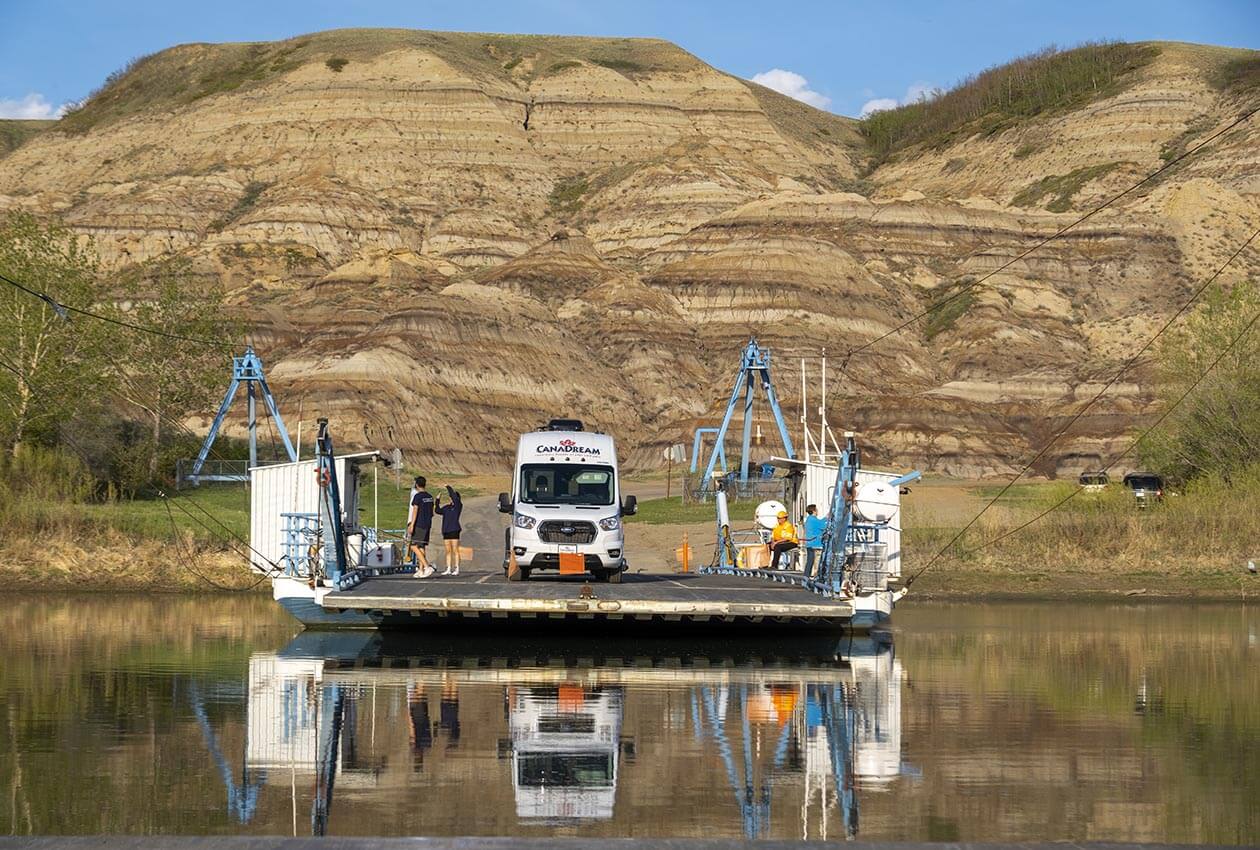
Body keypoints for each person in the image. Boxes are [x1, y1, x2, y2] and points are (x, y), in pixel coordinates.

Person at [407, 476, 436, 578]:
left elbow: (415, 511)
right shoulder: (430, 497)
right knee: (421, 546)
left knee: (413, 546)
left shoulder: (418, 497)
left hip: (419, 524)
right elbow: (432, 512)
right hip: (427, 524)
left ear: (416, 485)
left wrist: (412, 525)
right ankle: (421, 570)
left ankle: (427, 566)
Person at [434, 483, 463, 576]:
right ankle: (448, 568)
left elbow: (454, 496)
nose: (450, 499)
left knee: (455, 550)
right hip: (446, 531)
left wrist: (448, 487)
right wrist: (437, 500)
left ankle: (457, 568)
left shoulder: (458, 506)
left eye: (451, 497)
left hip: (454, 530)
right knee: (448, 551)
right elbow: (437, 510)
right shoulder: (447, 507)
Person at [802, 504, 826, 578]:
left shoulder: (808, 520)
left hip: (809, 544)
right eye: (816, 510)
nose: (817, 511)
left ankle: (806, 576)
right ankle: (816, 578)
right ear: (813, 511)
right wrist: (827, 518)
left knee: (809, 561)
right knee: (817, 563)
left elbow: (820, 523)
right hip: (816, 544)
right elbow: (823, 526)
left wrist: (825, 518)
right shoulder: (814, 520)